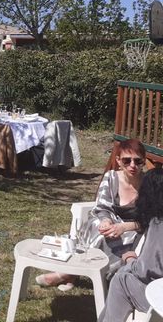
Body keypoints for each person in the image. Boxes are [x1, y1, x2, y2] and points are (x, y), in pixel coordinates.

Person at [36, 138, 145, 290]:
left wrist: (125, 227)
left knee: (122, 239)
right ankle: (73, 272)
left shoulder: (149, 184)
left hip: (137, 229)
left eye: (137, 161)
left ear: (144, 162)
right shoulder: (112, 177)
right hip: (112, 221)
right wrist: (106, 221)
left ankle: (69, 274)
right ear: (119, 161)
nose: (132, 165)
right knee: (98, 227)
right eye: (127, 161)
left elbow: (155, 218)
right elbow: (102, 205)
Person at [98, 167, 163, 322]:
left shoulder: (158, 224)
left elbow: (147, 270)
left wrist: (130, 260)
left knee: (121, 280)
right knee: (123, 275)